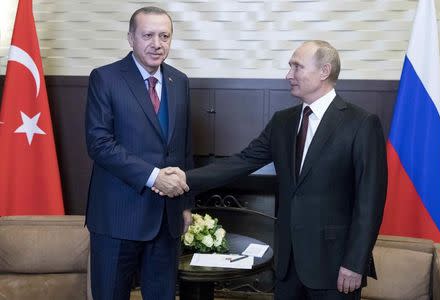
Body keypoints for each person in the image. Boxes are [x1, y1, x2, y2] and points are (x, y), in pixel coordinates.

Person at [156, 40, 387, 299]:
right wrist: (185, 176)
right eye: (290, 67)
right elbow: (241, 162)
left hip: (334, 265)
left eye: (297, 67)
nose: (289, 75)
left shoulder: (361, 124)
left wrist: (355, 263)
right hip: (287, 265)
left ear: (324, 71)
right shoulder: (283, 121)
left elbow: (370, 203)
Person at [85, 6, 192, 300]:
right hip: (117, 217)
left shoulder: (179, 81)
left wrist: (185, 205)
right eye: (148, 35)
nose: (156, 44)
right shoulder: (105, 78)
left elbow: (183, 149)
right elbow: (99, 144)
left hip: (165, 220)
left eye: (164, 36)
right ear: (131, 37)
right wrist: (154, 177)